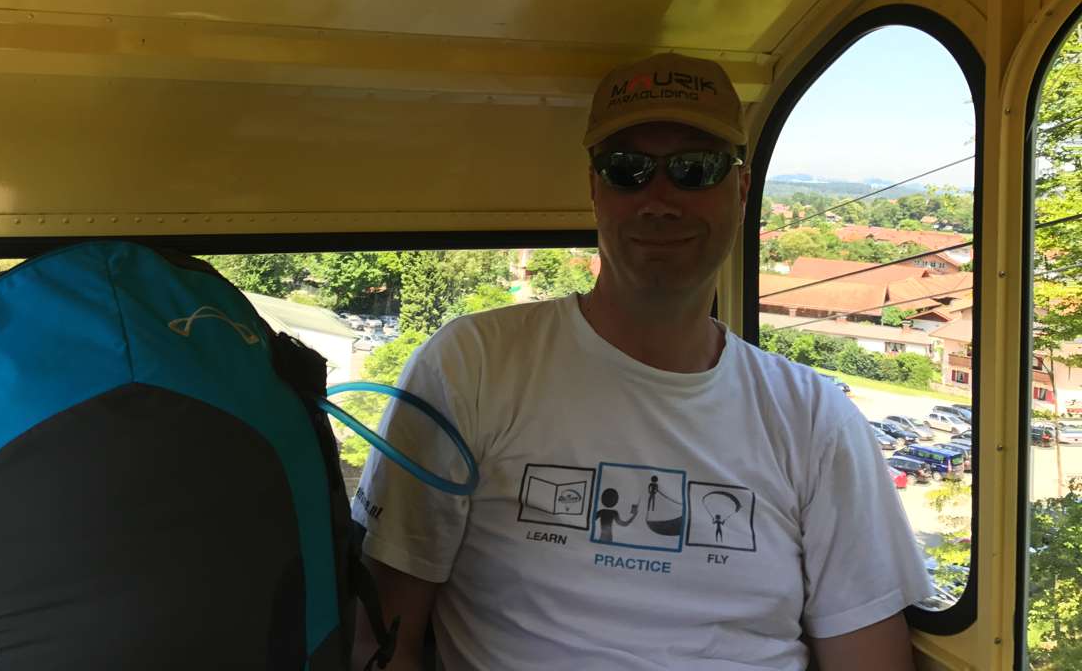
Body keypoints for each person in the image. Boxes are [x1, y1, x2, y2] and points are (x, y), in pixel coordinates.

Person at [352, 53, 930, 670]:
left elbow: (868, 654)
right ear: (594, 189)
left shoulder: (814, 419)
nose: (660, 200)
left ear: (740, 190)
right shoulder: (472, 366)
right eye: (627, 170)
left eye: (695, 170)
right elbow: (384, 639)